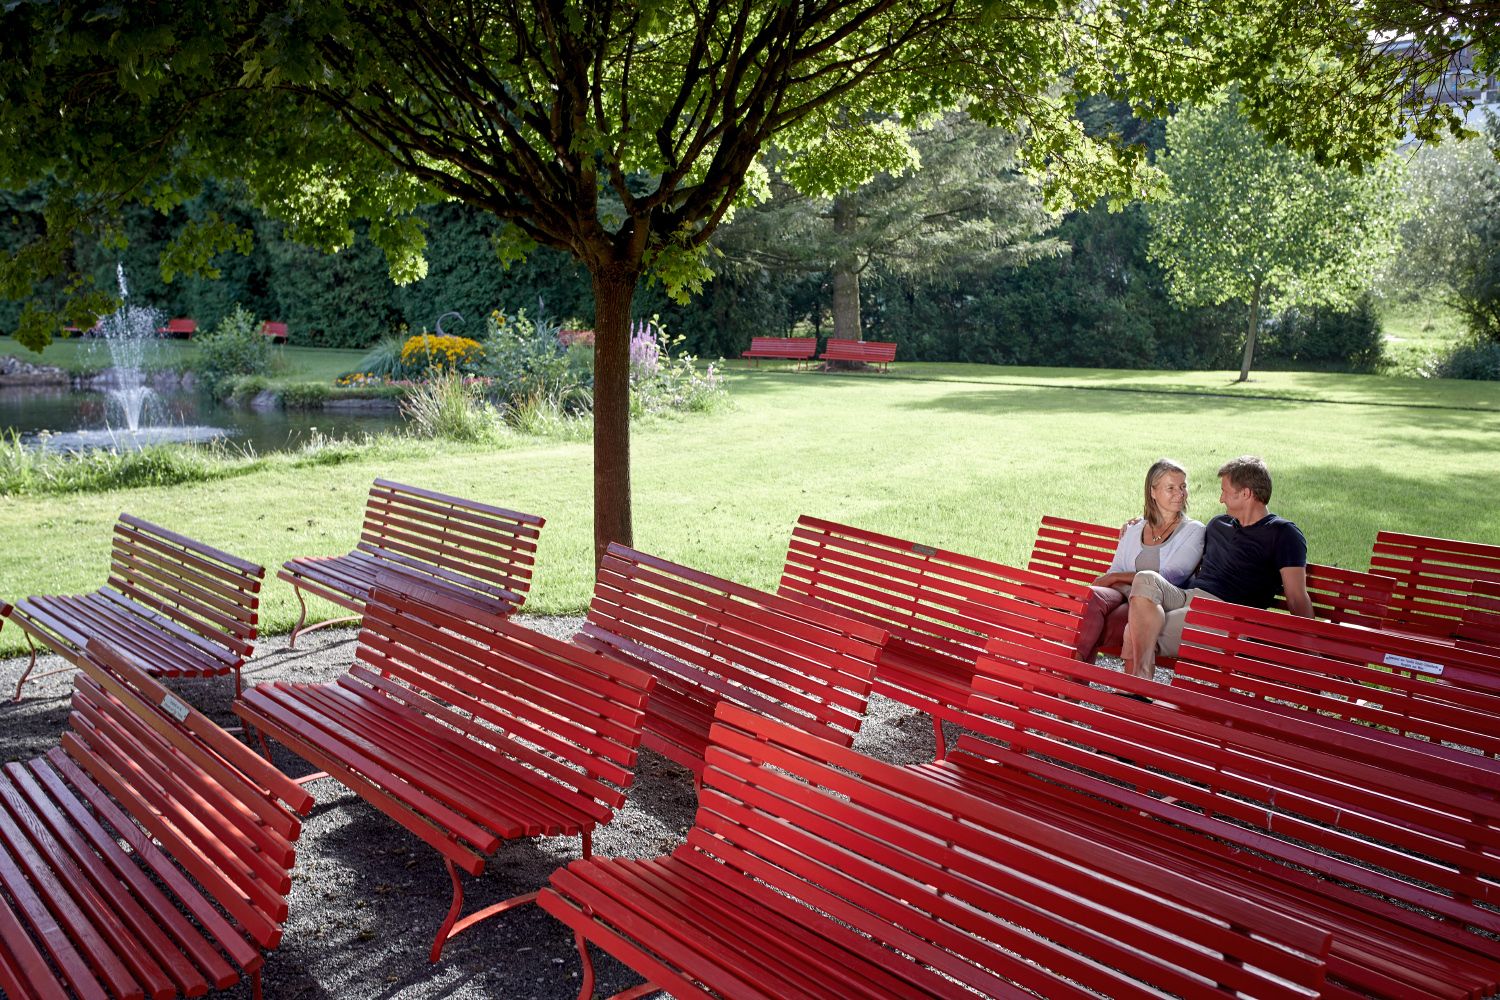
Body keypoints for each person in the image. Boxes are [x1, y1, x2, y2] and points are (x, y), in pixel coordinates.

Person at [1122, 455, 1312, 679]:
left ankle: (1137, 691)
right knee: (1145, 578)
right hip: (1190, 596)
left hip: (1228, 614)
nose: (1221, 499)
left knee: (1133, 632)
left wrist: (1311, 648)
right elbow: (1178, 528)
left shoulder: (1283, 533)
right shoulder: (1218, 524)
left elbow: (1297, 597)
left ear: (1246, 493)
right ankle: (1138, 687)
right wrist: (1141, 522)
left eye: (1225, 491)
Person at [1074, 459, 1205, 668]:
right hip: (1123, 593)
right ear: (1153, 492)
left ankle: (1069, 674)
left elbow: (1170, 576)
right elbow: (1114, 569)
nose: (1180, 493)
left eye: (1183, 486)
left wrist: (1116, 578)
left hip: (1153, 602)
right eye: (1171, 488)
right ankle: (1071, 667)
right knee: (1093, 597)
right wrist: (1115, 578)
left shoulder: (1194, 530)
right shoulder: (1135, 528)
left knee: (1100, 621)